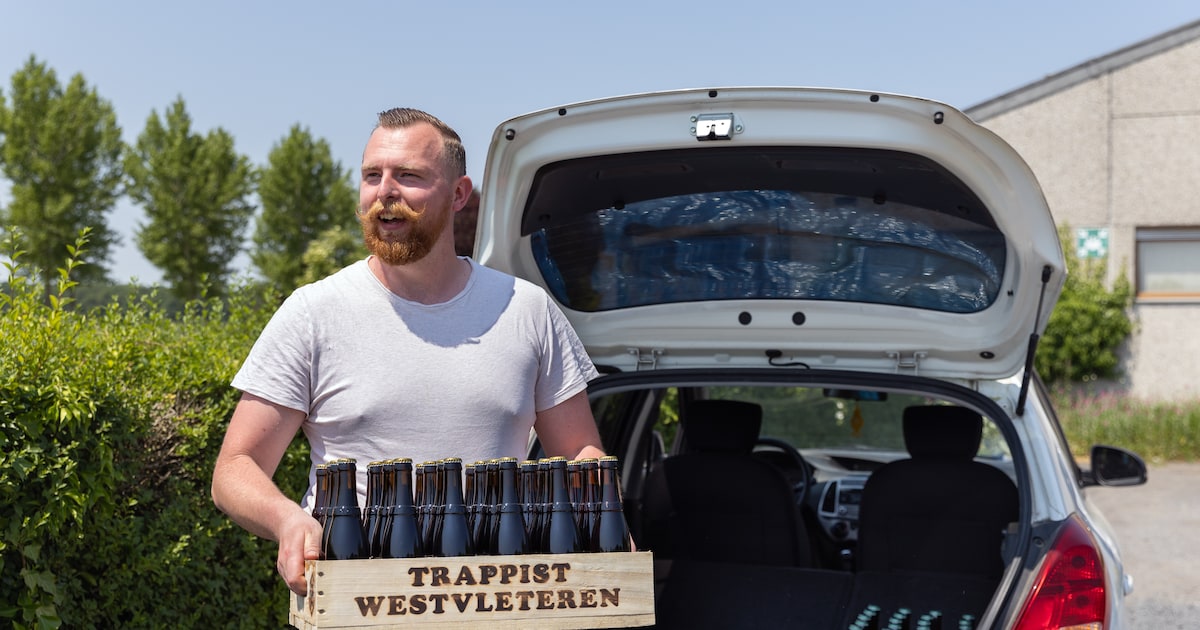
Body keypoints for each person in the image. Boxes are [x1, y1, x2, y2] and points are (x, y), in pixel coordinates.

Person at [210, 108, 605, 595]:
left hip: (498, 604)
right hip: (355, 606)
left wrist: (608, 539)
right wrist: (287, 518)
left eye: (409, 176)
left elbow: (583, 456)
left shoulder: (526, 310)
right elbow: (235, 468)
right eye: (372, 175)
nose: (385, 192)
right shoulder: (314, 313)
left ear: (459, 194)